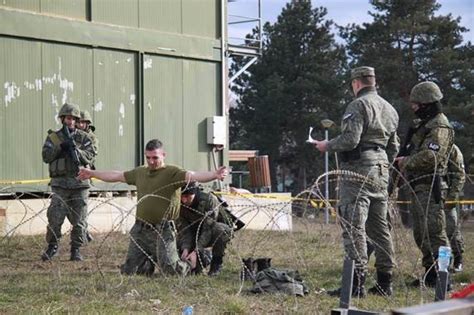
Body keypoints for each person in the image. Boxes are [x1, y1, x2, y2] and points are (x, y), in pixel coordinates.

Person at [77, 139, 228, 276]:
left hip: (162, 230)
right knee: (130, 271)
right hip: (140, 229)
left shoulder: (172, 173)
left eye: (155, 157)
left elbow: (194, 175)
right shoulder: (140, 172)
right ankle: (150, 261)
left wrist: (214, 175)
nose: (151, 161)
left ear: (163, 155)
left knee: (172, 271)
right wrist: (91, 173)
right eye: (148, 157)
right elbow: (116, 175)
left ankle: (197, 261)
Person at [313, 66, 399, 297]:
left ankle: (355, 283)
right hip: (381, 169)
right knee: (380, 228)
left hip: (358, 170)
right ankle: (385, 282)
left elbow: (351, 140)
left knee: (354, 226)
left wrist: (326, 146)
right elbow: (394, 147)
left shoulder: (358, 105)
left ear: (356, 83)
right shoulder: (390, 108)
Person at [396, 81, 454, 287]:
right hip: (419, 186)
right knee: (421, 233)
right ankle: (431, 273)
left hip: (432, 186)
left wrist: (406, 161)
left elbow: (432, 156)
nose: (414, 107)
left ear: (427, 103)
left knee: (435, 232)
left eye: (417, 103)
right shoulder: (423, 125)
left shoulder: (439, 126)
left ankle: (444, 277)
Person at [41, 103, 97, 261]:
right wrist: (60, 147)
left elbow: (90, 156)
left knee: (80, 220)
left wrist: (76, 150)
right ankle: (52, 246)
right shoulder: (53, 137)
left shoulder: (84, 138)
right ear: (62, 119)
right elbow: (46, 156)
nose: (70, 121)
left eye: (73, 118)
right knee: (55, 217)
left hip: (80, 185)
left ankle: (76, 249)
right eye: (67, 118)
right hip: (60, 185)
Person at [177, 182, 233, 276]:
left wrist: (196, 250)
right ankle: (204, 258)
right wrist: (185, 248)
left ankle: (216, 263)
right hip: (194, 232)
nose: (184, 200)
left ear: (194, 193)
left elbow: (208, 229)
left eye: (187, 196)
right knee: (191, 269)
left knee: (220, 230)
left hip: (212, 231)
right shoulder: (180, 204)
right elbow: (184, 229)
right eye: (182, 196)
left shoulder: (209, 200)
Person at [77, 110, 99, 243]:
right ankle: (83, 230)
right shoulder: (72, 135)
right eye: (78, 122)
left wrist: (76, 152)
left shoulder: (92, 138)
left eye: (82, 122)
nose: (79, 124)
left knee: (81, 208)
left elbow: (90, 156)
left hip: (84, 175)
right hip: (69, 176)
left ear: (87, 124)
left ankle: (83, 232)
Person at [446, 144, 466, 272]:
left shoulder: (452, 149)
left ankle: (458, 258)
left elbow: (460, 174)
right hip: (431, 195)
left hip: (449, 194)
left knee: (451, 228)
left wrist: (452, 196)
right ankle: (443, 262)